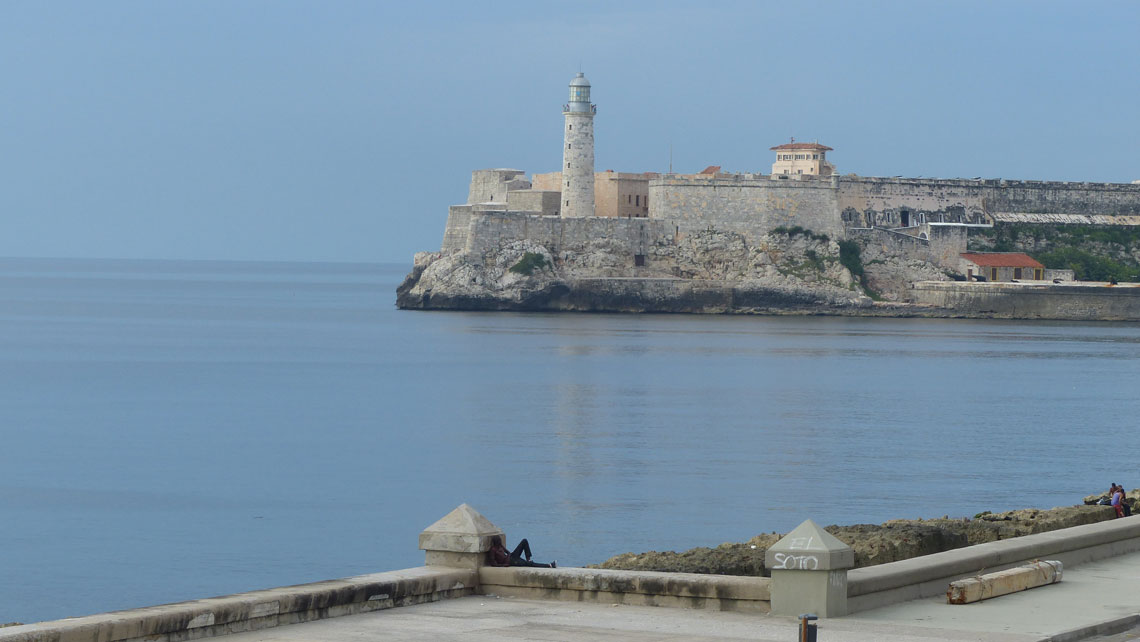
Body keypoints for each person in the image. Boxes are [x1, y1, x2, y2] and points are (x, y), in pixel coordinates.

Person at [487, 535, 556, 568]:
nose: (500, 541)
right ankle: (549, 565)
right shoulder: (493, 550)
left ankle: (528, 559)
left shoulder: (500, 546)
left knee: (524, 541)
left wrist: (510, 554)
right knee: (530, 564)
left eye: (500, 540)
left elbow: (508, 552)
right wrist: (504, 565)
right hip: (510, 562)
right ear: (495, 542)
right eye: (498, 541)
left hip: (512, 556)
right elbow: (494, 564)